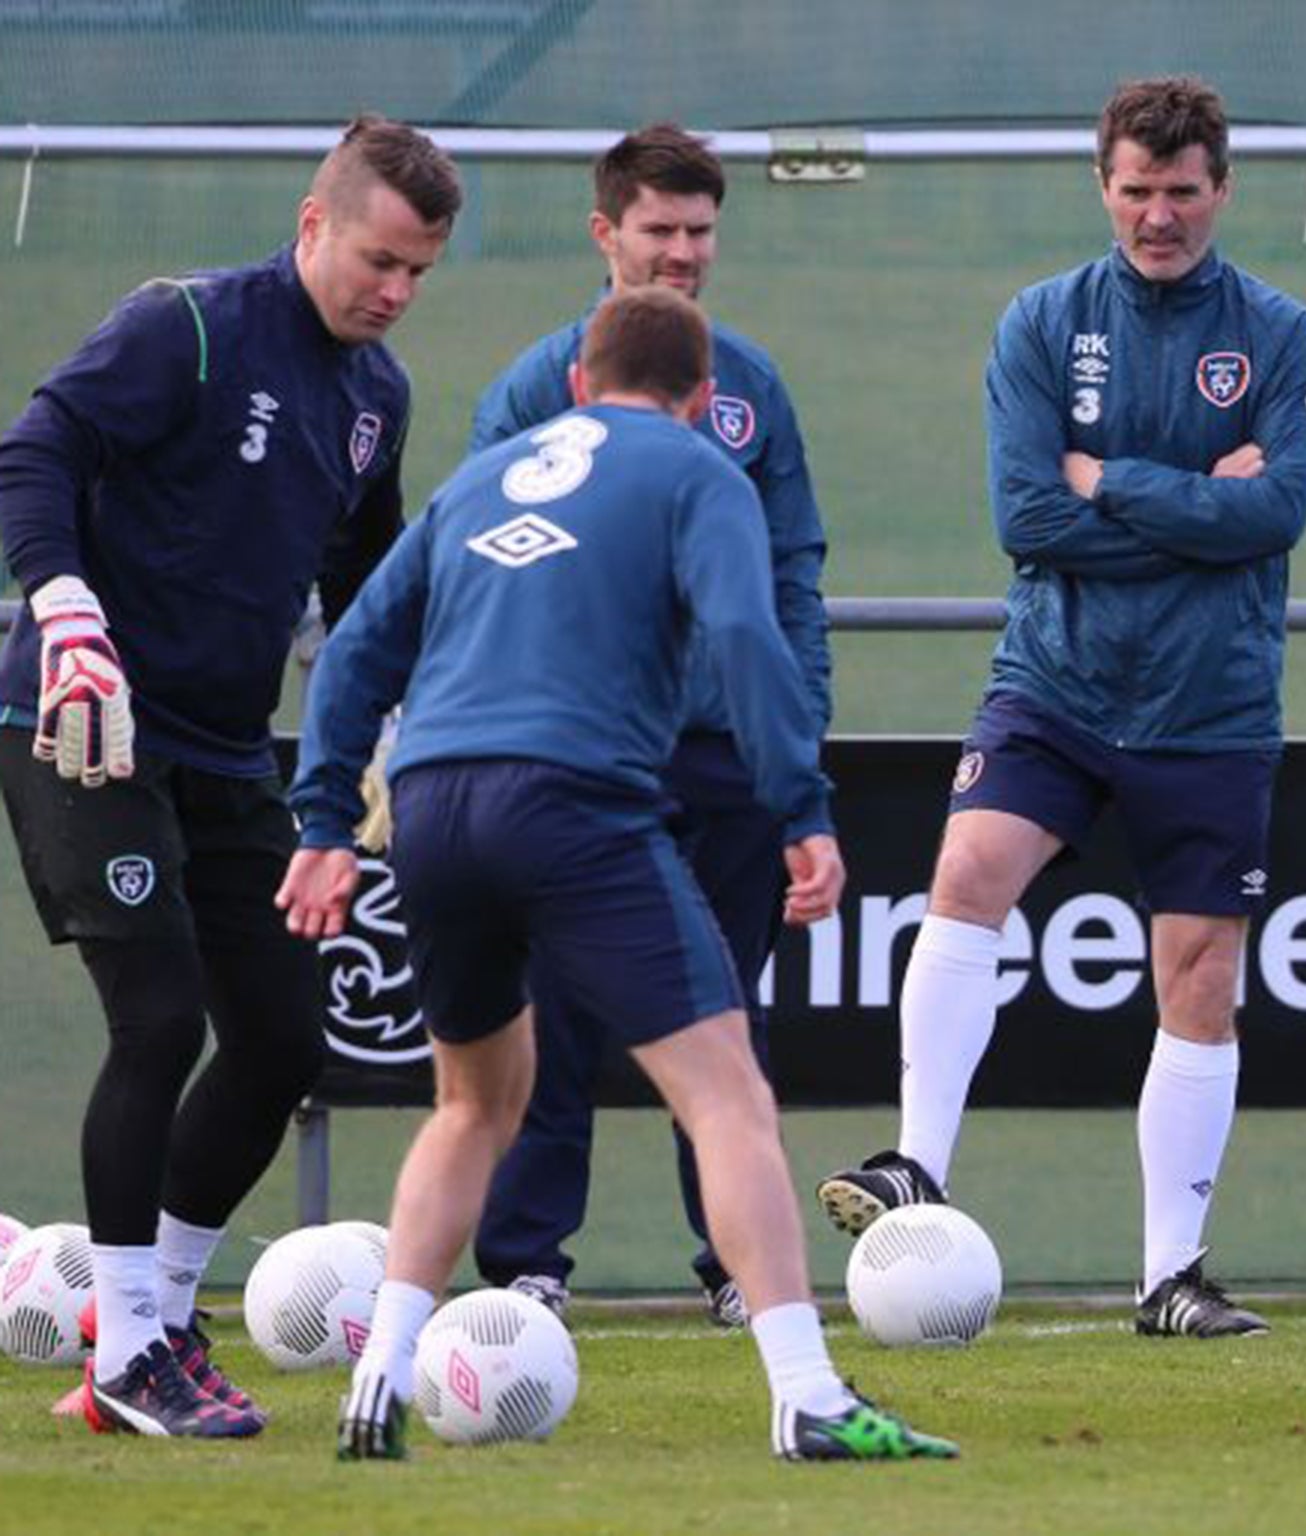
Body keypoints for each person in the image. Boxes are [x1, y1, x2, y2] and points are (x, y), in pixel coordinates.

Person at [278, 286, 953, 1463]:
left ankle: (375, 1385)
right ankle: (806, 1397)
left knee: (471, 1105)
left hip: (432, 809)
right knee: (726, 1096)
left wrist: (327, 819)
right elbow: (748, 639)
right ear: (699, 400)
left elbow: (352, 655)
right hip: (573, 801)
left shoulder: (483, 477)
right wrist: (799, 804)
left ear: (579, 383)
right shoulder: (698, 473)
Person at [814, 76, 1306, 1338]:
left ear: (1221, 188)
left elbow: (1275, 517)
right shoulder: (1043, 322)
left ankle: (1169, 1277)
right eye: (1136, 191)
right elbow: (1024, 517)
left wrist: (1114, 485)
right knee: (968, 871)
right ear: (1101, 186)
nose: (1158, 216)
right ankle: (913, 1166)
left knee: (1197, 974)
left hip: (1209, 705)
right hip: (1052, 680)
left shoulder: (1278, 332)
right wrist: (1194, 508)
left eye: (1181, 191)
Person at [0, 115, 460, 1438]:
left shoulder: (377, 399)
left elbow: (361, 593)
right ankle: (128, 1349)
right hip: (82, 722)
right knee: (157, 1018)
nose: (395, 291)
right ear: (314, 225)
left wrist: (392, 724)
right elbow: (37, 450)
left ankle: (162, 1321)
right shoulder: (187, 326)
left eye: (420, 273)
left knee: (281, 1038)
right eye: (378, 260)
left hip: (223, 748)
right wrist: (67, 603)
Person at [467, 123, 830, 1329]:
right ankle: (527, 1265)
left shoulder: (756, 387)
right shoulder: (535, 382)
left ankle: (734, 1266)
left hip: (722, 763)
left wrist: (795, 756)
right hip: (580, 755)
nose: (680, 252)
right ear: (605, 234)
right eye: (657, 230)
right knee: (552, 1009)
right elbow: (478, 565)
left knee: (722, 1013)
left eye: (699, 230)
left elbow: (790, 583)